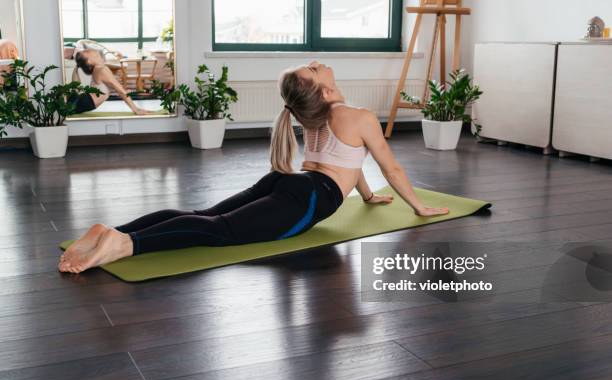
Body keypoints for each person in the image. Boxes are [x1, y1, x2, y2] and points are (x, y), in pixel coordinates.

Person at [58, 61, 449, 274]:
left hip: (287, 180)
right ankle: (126, 243)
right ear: (326, 91)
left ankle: (114, 230)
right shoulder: (359, 116)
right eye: (314, 70)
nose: (317, 63)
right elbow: (391, 167)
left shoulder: (314, 111)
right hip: (313, 196)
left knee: (204, 215)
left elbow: (345, 158)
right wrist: (419, 207)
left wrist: (366, 194)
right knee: (220, 231)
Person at [69, 49, 153, 115]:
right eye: (87, 52)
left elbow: (107, 67)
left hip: (83, 100)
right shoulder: (101, 70)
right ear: (89, 61)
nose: (89, 50)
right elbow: (120, 90)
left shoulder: (99, 68)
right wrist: (136, 109)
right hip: (80, 102)